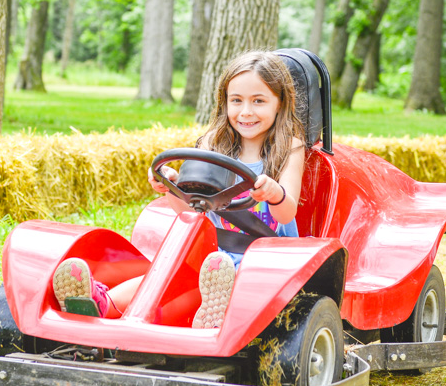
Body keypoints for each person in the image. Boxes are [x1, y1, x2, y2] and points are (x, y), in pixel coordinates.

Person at [53, 50, 305, 328]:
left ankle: (217, 311)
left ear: (280, 103)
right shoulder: (213, 143)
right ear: (225, 103)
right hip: (213, 253)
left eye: (258, 101)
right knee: (168, 274)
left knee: (219, 273)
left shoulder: (289, 147)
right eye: (237, 101)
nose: (246, 112)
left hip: (266, 259)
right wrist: (172, 186)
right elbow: (192, 210)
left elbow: (286, 213)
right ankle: (102, 303)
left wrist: (274, 193)